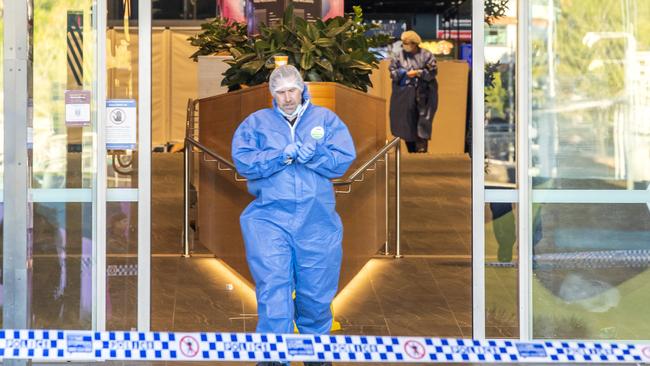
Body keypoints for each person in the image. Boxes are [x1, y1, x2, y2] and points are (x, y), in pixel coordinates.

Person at [231, 65, 356, 366]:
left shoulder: (326, 120)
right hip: (269, 220)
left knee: (316, 295)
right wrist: (280, 155)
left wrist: (315, 155)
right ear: (272, 94)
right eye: (281, 92)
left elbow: (342, 161)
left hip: (317, 223)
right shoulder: (256, 123)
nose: (287, 98)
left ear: (302, 89)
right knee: (274, 292)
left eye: (292, 90)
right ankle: (274, 359)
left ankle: (315, 357)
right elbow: (244, 161)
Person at [389, 30, 439, 153]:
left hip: (424, 94)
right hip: (404, 95)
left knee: (423, 122)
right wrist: (404, 73)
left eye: (408, 43)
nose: (406, 45)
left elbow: (432, 72)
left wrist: (418, 72)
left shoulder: (426, 55)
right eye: (404, 43)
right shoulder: (398, 56)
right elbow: (393, 73)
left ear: (415, 43)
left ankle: (421, 150)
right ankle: (411, 151)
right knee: (406, 123)